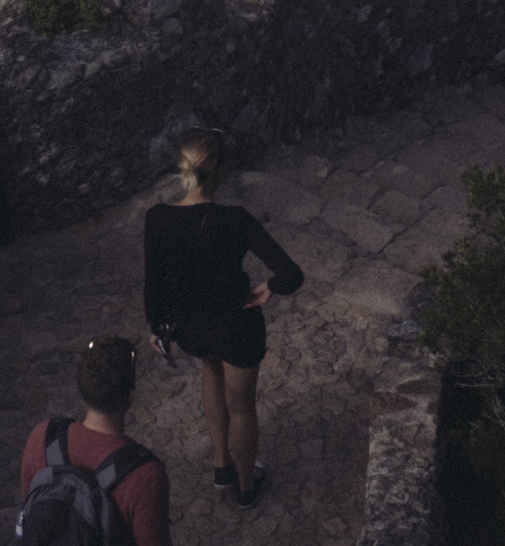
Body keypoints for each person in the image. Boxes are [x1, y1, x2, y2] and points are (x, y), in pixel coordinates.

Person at [141, 129, 303, 509]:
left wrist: (157, 328)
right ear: (221, 171)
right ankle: (247, 487)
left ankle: (221, 466)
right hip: (236, 325)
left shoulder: (157, 218)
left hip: (191, 329)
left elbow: (154, 283)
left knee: (210, 372)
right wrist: (268, 288)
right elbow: (291, 275)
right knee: (242, 406)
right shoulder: (235, 220)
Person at [15, 336, 170, 546]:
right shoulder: (144, 476)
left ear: (83, 389)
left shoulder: (42, 437)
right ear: (130, 397)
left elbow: (27, 517)